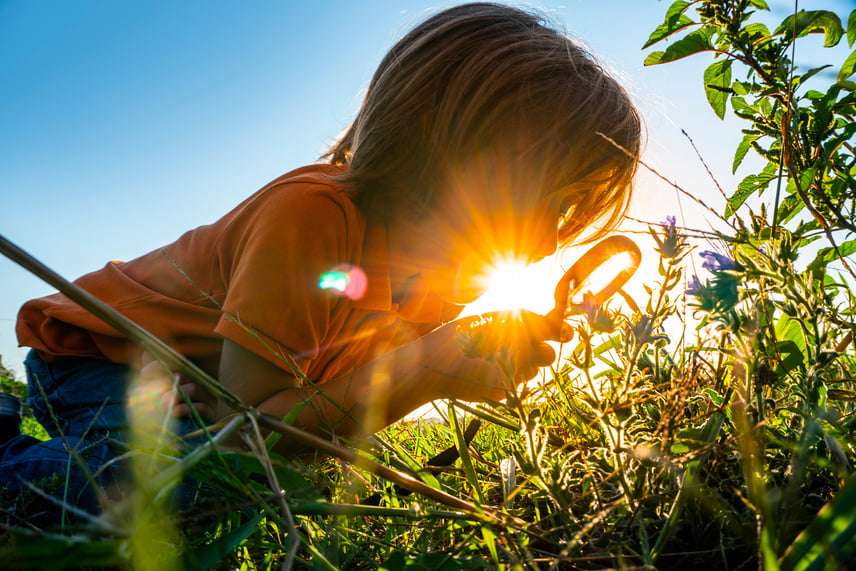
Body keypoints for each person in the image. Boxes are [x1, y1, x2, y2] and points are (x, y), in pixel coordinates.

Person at [1, 2, 641, 521]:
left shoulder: (444, 282)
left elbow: (335, 408)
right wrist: (424, 372)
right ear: (457, 156)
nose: (558, 240)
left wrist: (455, 366)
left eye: (574, 214)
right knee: (179, 492)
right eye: (552, 203)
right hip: (103, 353)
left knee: (250, 489)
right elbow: (248, 437)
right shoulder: (313, 220)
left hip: (219, 386)